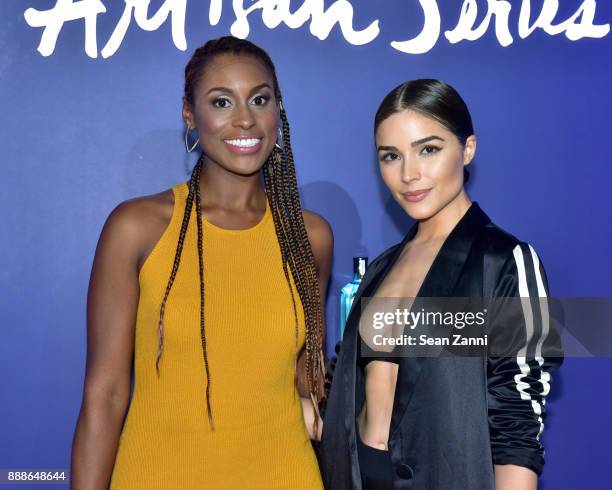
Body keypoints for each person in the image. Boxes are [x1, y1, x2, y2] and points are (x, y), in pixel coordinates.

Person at [70, 36, 332, 489]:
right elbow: (106, 394)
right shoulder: (138, 227)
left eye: (260, 99)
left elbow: (307, 382)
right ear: (189, 114)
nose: (245, 119)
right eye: (221, 101)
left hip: (285, 474)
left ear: (278, 110)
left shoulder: (309, 236)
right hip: (158, 475)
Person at [319, 79, 562, 490]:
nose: (409, 174)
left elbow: (516, 422)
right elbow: (344, 396)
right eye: (391, 156)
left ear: (467, 149)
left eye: (428, 149)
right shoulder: (381, 269)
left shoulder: (502, 260)